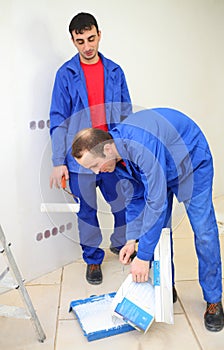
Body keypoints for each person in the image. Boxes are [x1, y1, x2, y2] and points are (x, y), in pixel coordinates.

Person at [71, 107, 224, 332]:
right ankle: (166, 286)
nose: (96, 172)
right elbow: (135, 198)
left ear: (106, 148)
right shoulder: (115, 158)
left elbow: (156, 202)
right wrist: (132, 239)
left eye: (95, 165)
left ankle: (213, 300)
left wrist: (143, 257)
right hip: (163, 167)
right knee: (160, 232)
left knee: (203, 231)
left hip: (191, 163)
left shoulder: (141, 146)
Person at [49, 12, 132, 285]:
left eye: (91, 38)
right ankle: (93, 260)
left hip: (110, 156)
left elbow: (125, 114)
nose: (87, 46)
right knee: (87, 212)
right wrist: (59, 160)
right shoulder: (66, 74)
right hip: (80, 160)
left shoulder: (115, 72)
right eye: (80, 41)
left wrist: (124, 153)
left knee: (121, 204)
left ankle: (121, 244)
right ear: (73, 41)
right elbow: (58, 119)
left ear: (99, 34)